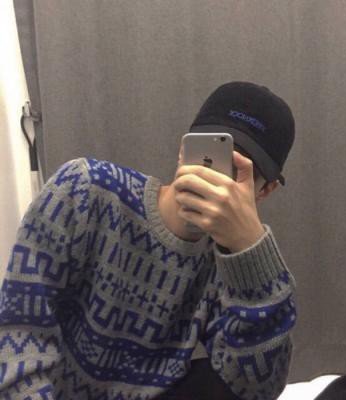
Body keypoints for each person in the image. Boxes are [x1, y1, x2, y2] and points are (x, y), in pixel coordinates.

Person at [0, 81, 296, 400]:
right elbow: (18, 339)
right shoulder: (83, 191)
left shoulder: (232, 266)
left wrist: (252, 255)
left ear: (264, 191)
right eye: (211, 157)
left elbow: (255, 390)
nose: (218, 183)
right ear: (184, 151)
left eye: (239, 171)